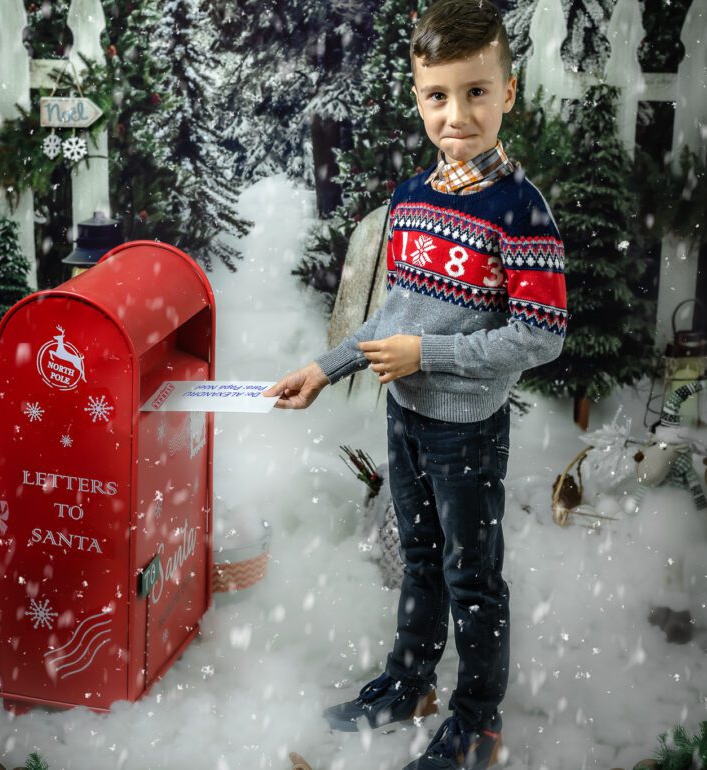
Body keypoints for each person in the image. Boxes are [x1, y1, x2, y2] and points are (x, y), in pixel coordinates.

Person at [264, 1, 567, 767]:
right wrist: (325, 370)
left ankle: (478, 718)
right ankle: (408, 682)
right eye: (438, 95)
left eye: (475, 92)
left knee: (473, 576)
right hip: (405, 416)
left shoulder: (521, 214)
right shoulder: (412, 199)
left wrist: (427, 354)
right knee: (420, 559)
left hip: (466, 428)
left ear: (509, 92)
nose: (456, 115)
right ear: (417, 95)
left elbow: (539, 335)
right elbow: (392, 313)